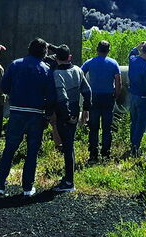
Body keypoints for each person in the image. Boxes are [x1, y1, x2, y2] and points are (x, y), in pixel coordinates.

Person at [0, 38, 56, 196]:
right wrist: (47, 116)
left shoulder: (15, 64)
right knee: (32, 152)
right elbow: (52, 97)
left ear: (29, 49)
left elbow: (4, 87)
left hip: (17, 112)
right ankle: (27, 188)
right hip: (36, 114)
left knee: (9, 149)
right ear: (44, 53)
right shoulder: (46, 69)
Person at [52, 44, 91, 192]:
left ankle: (69, 181)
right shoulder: (78, 70)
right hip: (76, 110)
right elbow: (88, 92)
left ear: (56, 59)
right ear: (70, 57)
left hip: (65, 115)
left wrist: (67, 116)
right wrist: (86, 109)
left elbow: (62, 97)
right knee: (70, 146)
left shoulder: (56, 74)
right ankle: (68, 178)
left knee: (67, 147)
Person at [81, 40, 121, 160]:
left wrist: (84, 91)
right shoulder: (113, 63)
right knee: (107, 127)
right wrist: (116, 95)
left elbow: (80, 74)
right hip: (108, 97)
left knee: (93, 127)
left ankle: (93, 152)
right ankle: (106, 152)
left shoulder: (89, 62)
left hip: (94, 97)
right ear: (108, 51)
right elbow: (119, 82)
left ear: (97, 50)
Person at [128, 41, 146, 156]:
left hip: (133, 96)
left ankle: (132, 145)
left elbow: (131, 53)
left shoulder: (132, 61)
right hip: (143, 98)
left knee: (134, 122)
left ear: (142, 51)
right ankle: (136, 149)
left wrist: (136, 47)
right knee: (141, 124)